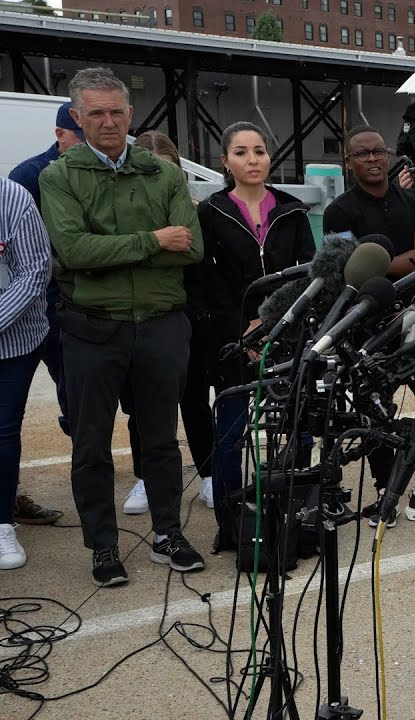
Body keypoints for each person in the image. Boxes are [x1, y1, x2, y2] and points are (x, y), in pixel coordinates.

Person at [39, 67, 205, 587]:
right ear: (77, 117)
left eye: (116, 112)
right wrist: (154, 240)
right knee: (91, 444)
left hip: (161, 325)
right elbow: (73, 250)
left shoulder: (164, 174)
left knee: (160, 439)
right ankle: (103, 546)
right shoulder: (59, 177)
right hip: (93, 328)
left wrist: (109, 251)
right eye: (96, 113)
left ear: (130, 114)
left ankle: (167, 533)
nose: (108, 122)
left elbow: (192, 248)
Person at [324, 125, 415, 524]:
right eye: (362, 153)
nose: (373, 158)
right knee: (375, 412)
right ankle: (384, 495)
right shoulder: (339, 211)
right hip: (367, 329)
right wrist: (390, 268)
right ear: (349, 161)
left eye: (378, 150)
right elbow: (349, 270)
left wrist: (375, 265)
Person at [198, 121, 317, 549]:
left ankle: (297, 519)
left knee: (298, 426)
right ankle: (231, 525)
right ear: (225, 161)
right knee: (231, 434)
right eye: (242, 152)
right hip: (233, 341)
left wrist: (274, 321)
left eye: (260, 151)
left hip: (289, 334)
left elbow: (309, 272)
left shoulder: (292, 210)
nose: (253, 160)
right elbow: (207, 283)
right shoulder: (210, 212)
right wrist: (244, 330)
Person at [116, 130, 218, 518]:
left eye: (169, 169)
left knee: (195, 402)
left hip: (189, 321)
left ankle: (209, 474)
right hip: (139, 320)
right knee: (142, 408)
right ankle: (146, 476)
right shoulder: (122, 214)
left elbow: (201, 268)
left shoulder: (197, 213)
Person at [4, 101, 84, 525]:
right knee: (7, 417)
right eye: (79, 136)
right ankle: (10, 495)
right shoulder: (30, 175)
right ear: (60, 134)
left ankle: (86, 474)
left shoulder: (92, 172)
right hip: (37, 307)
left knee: (76, 393)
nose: (87, 143)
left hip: (65, 304)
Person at [0, 178, 52, 570]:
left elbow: (35, 270)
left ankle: (3, 523)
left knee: (3, 431)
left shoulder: (13, 198)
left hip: (14, 341)